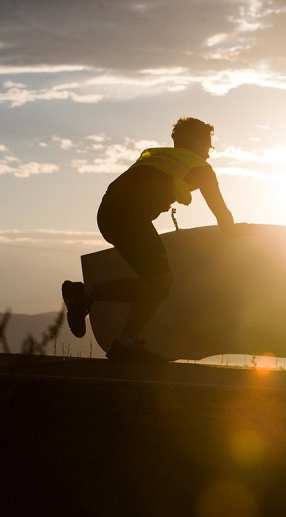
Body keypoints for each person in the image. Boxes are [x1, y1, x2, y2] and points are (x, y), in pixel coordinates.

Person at [61, 117, 240, 360]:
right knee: (159, 283)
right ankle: (85, 296)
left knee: (153, 280)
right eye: (209, 146)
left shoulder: (162, 158)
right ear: (198, 142)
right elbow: (222, 214)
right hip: (130, 217)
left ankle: (125, 342)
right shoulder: (201, 168)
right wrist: (241, 237)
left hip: (107, 214)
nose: (209, 154)